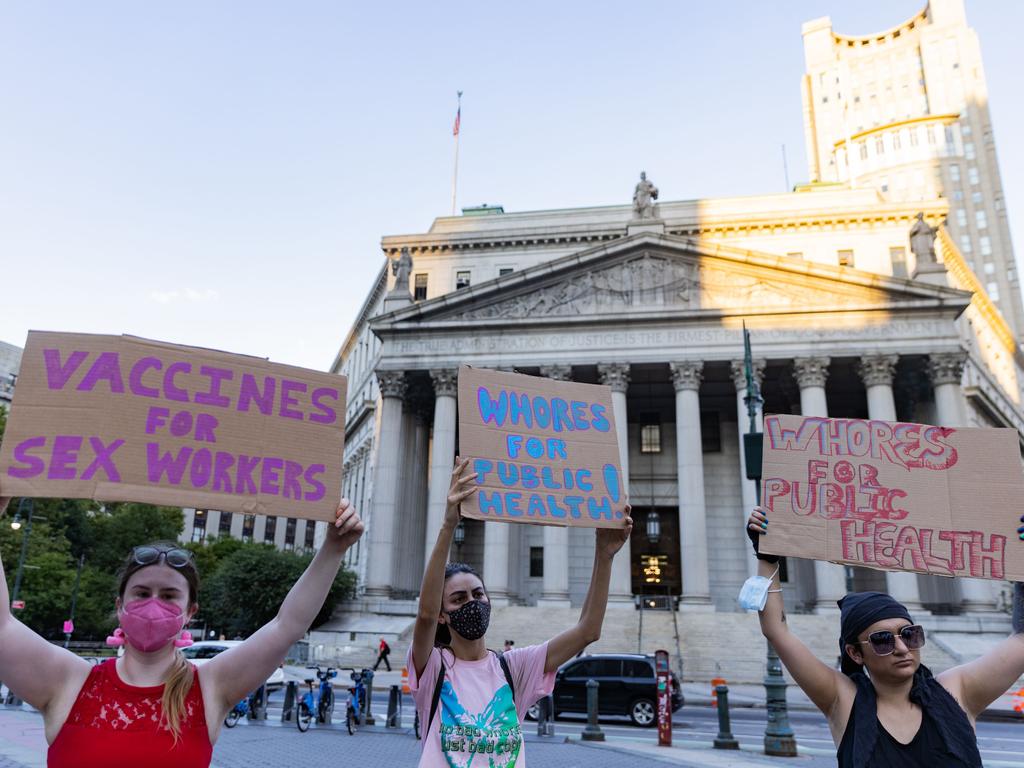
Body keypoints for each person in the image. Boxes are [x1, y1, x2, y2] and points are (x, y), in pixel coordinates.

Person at [0, 495, 363, 767]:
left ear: (190, 612)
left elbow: (287, 626)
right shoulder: (69, 681)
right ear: (119, 605)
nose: (153, 603)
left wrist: (334, 548)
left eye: (169, 595)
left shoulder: (209, 686)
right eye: (141, 593)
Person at [746, 507, 1024, 767]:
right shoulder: (843, 700)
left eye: (910, 635)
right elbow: (776, 630)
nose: (902, 648)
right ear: (855, 653)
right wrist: (767, 557)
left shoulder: (957, 690)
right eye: (882, 640)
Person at [409, 457, 632, 767]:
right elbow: (425, 616)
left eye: (478, 594)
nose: (472, 603)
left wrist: (604, 555)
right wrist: (449, 525)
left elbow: (588, 631)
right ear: (443, 614)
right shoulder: (434, 667)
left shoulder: (513, 669)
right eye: (458, 599)